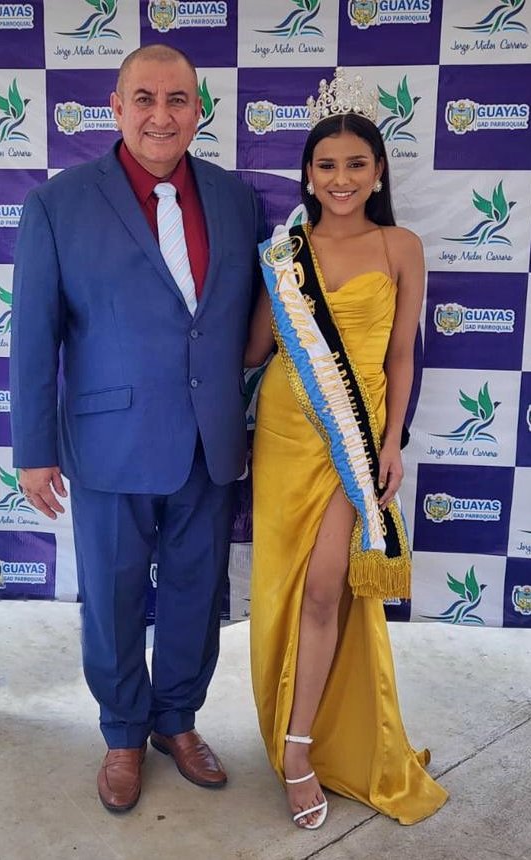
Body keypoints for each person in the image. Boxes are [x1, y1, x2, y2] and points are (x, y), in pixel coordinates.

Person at [10, 44, 261, 814]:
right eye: (144, 99)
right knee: (113, 597)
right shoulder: (57, 204)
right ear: (116, 108)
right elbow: (33, 336)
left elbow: (246, 320)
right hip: (108, 445)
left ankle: (176, 721)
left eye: (177, 99)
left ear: (199, 110)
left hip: (209, 442)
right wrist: (33, 451)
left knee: (195, 592)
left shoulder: (235, 199)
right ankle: (122, 732)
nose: (161, 115)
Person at [245, 68, 448, 829]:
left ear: (378, 171)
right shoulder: (284, 254)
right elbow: (255, 350)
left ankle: (301, 746)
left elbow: (401, 356)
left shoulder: (400, 245)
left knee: (328, 589)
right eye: (326, 165)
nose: (340, 178)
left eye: (355, 164)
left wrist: (392, 441)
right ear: (307, 173)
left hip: (354, 439)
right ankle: (295, 733)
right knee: (285, 587)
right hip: (283, 432)